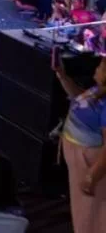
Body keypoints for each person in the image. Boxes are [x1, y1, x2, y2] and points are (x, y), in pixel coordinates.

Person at [55, 55, 106, 232]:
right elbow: (78, 98)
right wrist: (62, 75)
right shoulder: (98, 90)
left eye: (101, 66)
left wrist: (92, 176)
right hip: (81, 160)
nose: (97, 68)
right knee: (82, 208)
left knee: (92, 212)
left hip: (92, 164)